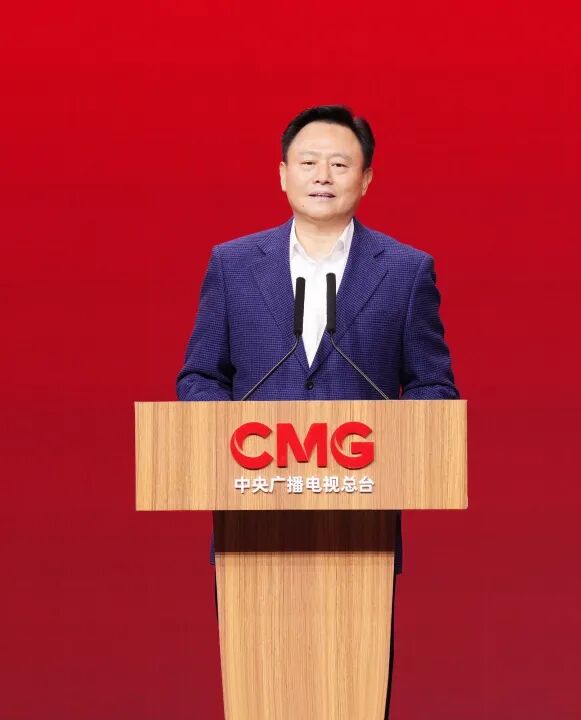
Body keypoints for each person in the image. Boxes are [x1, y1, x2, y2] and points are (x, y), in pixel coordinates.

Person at [176, 105, 458, 718]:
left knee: (348, 691)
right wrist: (234, 433)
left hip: (358, 519)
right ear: (283, 174)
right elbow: (199, 376)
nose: (322, 175)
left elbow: (434, 386)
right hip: (253, 515)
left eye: (339, 163)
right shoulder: (233, 264)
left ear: (367, 178)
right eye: (307, 162)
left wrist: (389, 434)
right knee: (260, 688)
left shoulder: (406, 271)